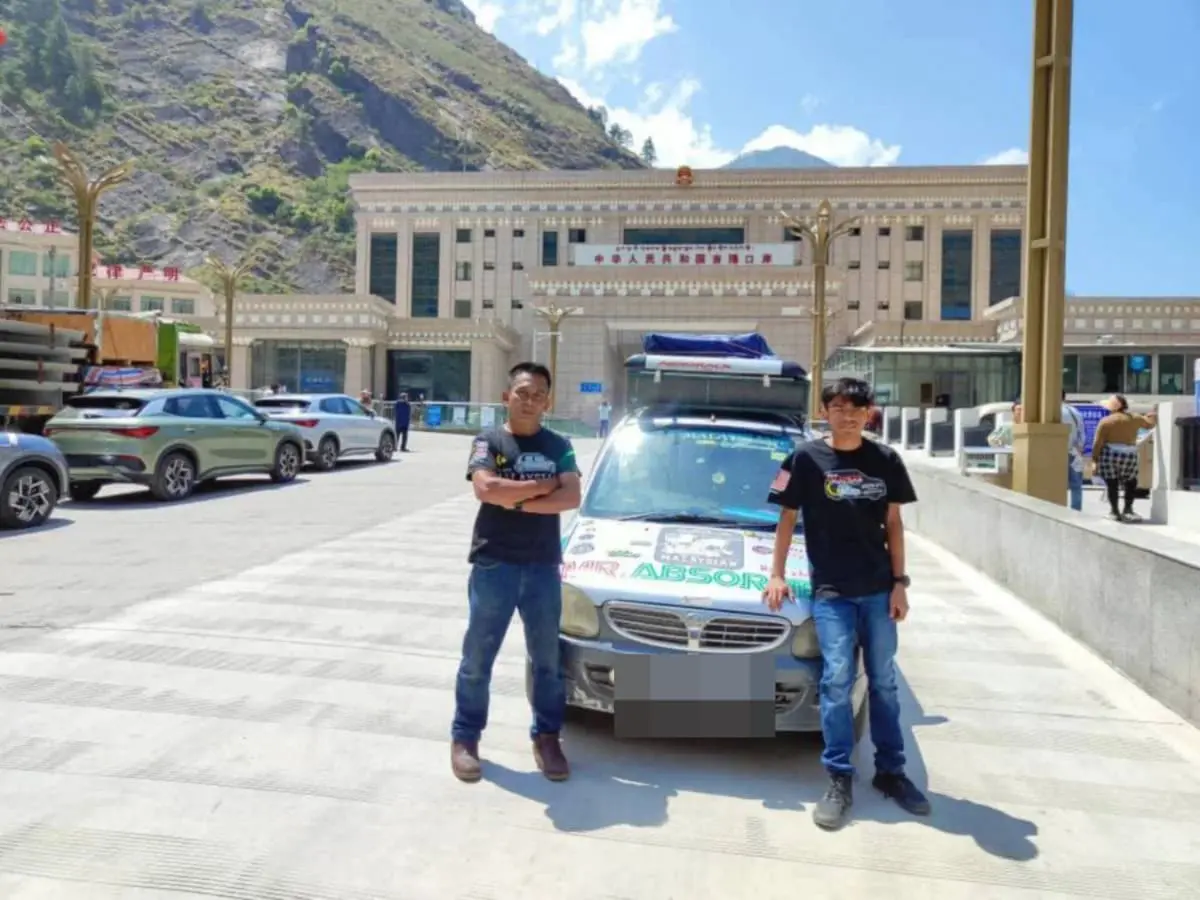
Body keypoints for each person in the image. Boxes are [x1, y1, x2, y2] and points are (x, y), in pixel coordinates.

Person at [763, 377, 929, 831]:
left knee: (884, 682)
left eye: (856, 408)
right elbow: (786, 518)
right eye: (838, 407)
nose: (847, 415)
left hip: (878, 589)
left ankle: (891, 772)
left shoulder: (886, 460)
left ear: (869, 412)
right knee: (836, 680)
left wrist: (900, 583)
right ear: (825, 412)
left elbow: (894, 524)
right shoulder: (803, 458)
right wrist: (777, 573)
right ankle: (839, 777)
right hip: (832, 592)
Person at [452, 362, 582, 784]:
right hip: (494, 562)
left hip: (542, 565)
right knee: (478, 656)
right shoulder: (488, 441)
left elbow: (571, 496)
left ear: (548, 402)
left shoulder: (559, 445)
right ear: (506, 397)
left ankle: (547, 737)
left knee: (547, 659)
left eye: (538, 394)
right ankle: (465, 737)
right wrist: (541, 487)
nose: (530, 401)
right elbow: (485, 488)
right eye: (522, 393)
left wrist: (515, 499)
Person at [1092, 394, 1156, 522]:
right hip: (1130, 454)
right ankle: (1128, 509)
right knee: (1131, 482)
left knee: (1112, 483)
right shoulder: (1135, 418)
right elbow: (1149, 424)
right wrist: (1152, 415)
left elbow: (1098, 443)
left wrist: (1094, 460)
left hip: (1110, 454)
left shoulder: (1106, 421)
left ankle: (1114, 511)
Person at [1062, 392, 1085, 512]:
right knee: (1076, 484)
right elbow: (1082, 432)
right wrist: (1079, 447)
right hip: (1073, 452)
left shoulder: (1050, 412)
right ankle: (1076, 510)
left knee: (1056, 483)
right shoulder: (1074, 411)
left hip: (1055, 452)